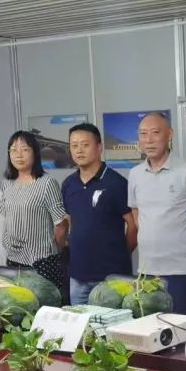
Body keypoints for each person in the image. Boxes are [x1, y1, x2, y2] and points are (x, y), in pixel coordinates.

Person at [127, 112, 186, 316]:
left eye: (155, 133)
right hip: (146, 272)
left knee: (183, 330)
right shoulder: (135, 174)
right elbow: (137, 216)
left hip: (182, 273)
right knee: (148, 331)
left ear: (169, 134)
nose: (148, 140)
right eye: (143, 134)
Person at [61, 123, 137, 305]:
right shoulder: (68, 184)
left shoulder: (116, 183)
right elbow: (68, 221)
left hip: (111, 278)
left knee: (111, 322)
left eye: (85, 145)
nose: (79, 150)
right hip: (78, 276)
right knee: (80, 321)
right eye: (74, 145)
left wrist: (122, 252)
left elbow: (133, 224)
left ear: (99, 147)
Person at [1, 131, 68, 293]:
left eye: (25, 149)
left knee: (46, 303)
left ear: (35, 153)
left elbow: (61, 225)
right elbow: (6, 218)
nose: (19, 155)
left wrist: (55, 249)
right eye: (13, 150)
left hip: (41, 261)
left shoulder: (47, 183)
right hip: (13, 259)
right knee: (18, 304)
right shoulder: (7, 183)